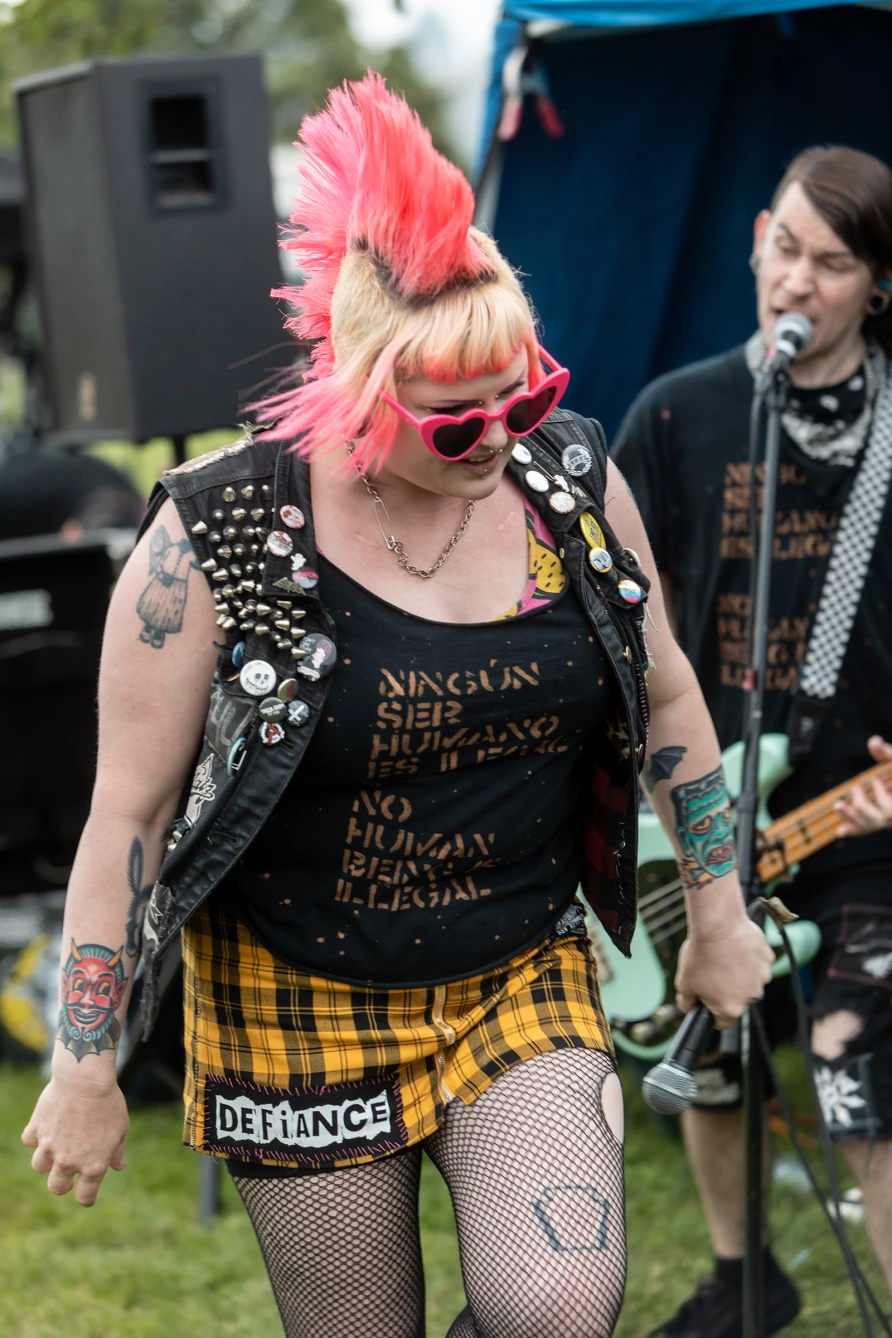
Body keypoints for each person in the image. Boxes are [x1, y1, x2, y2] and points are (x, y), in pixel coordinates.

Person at [21, 76, 771, 1338]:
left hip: (517, 966)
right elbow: (127, 819)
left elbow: (669, 693)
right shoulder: (218, 532)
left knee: (557, 1309)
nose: (501, 438)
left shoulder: (570, 485)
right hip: (293, 989)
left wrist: (717, 911)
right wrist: (85, 1064)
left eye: (524, 397)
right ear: (359, 391)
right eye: (457, 422)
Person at [614, 144, 892, 1338]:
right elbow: (621, 617)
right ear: (751, 246)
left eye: (831, 264)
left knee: (857, 1072)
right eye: (783, 249)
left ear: (876, 285)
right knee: (709, 1055)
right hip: (706, 808)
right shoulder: (677, 415)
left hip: (865, 815)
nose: (796, 282)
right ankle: (743, 1279)